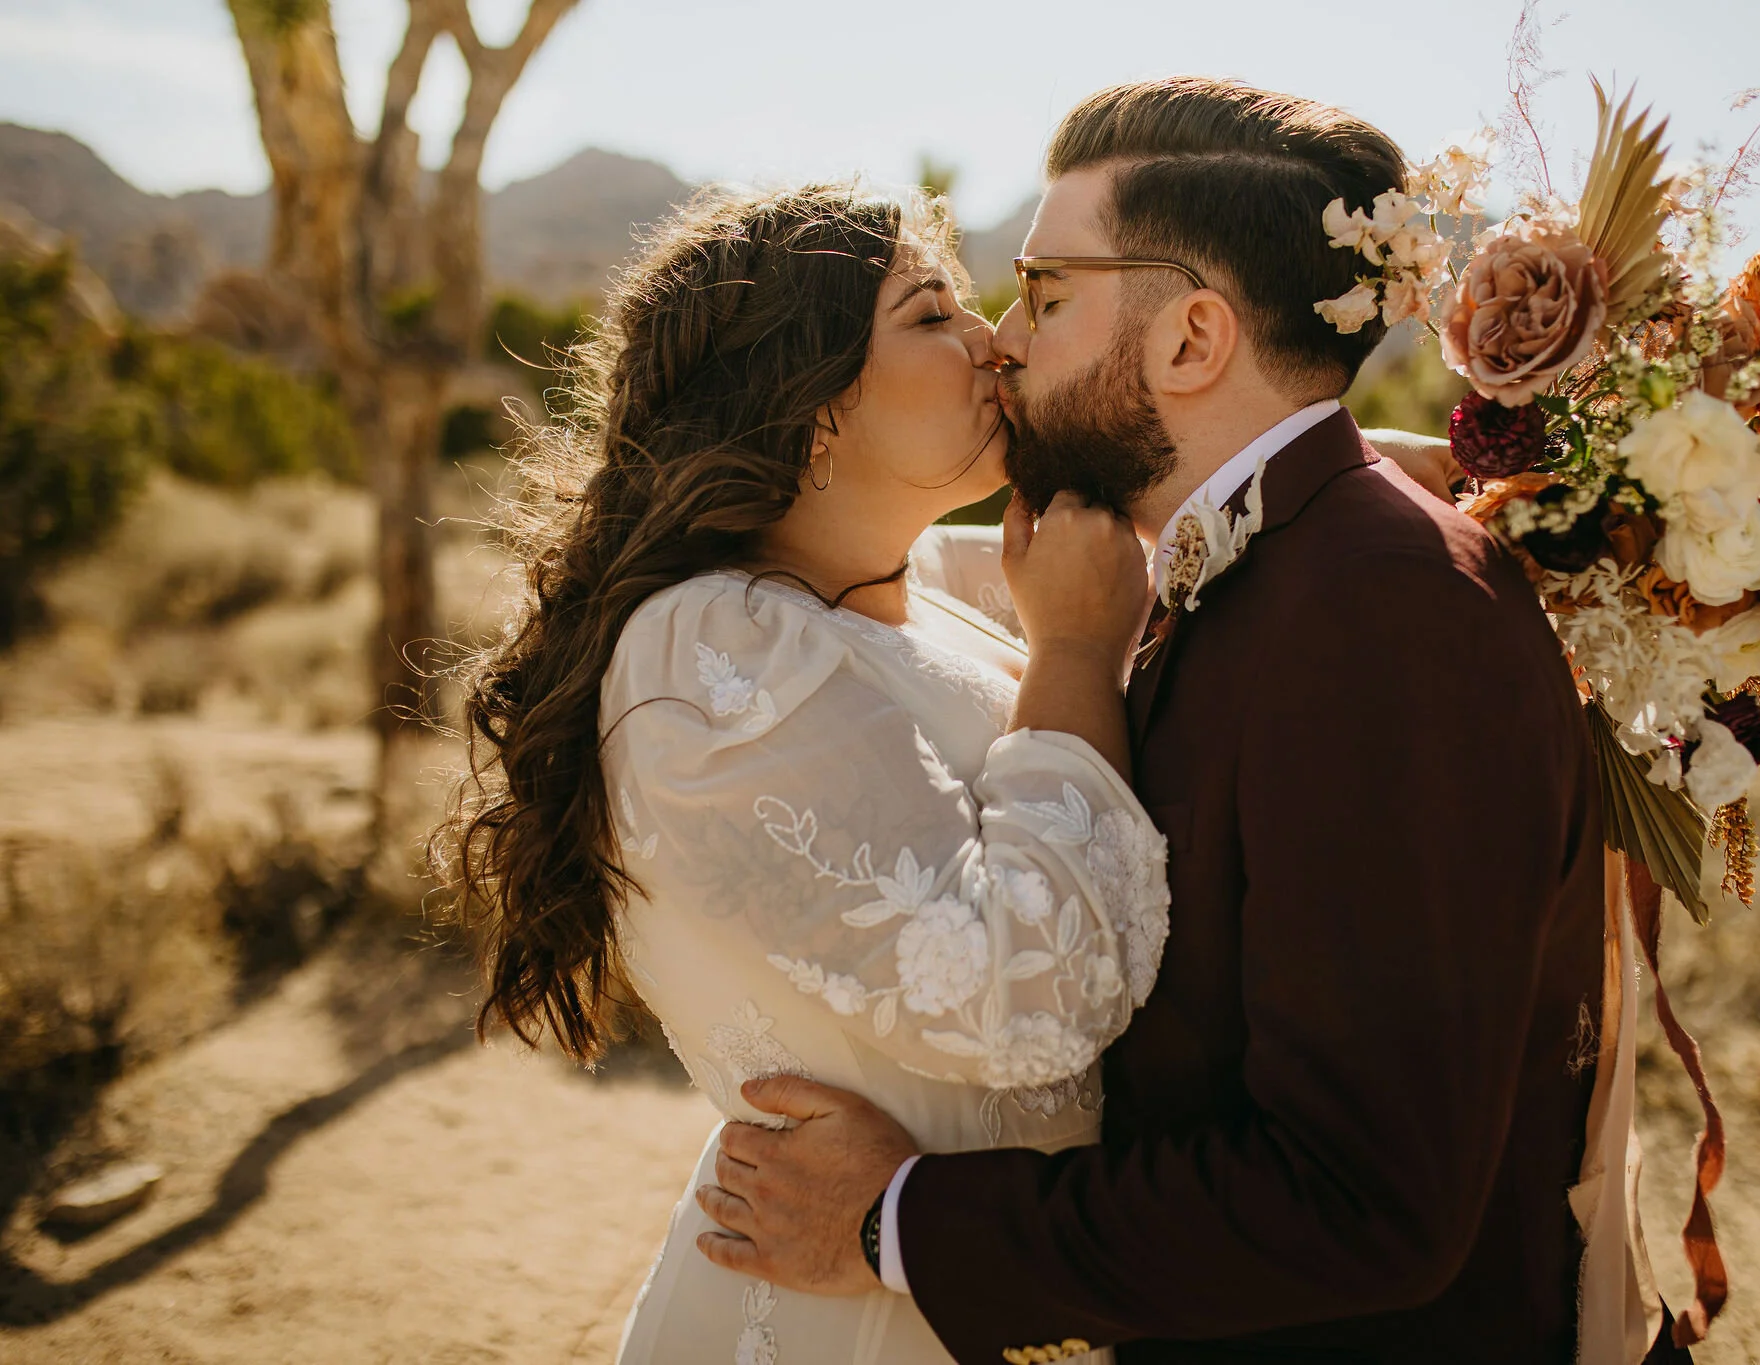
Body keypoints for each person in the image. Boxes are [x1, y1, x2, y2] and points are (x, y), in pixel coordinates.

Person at [694, 78, 1673, 1365]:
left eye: (1045, 294)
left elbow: (1359, 1202)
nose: (1004, 338)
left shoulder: (1382, 609)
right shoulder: (1254, 557)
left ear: (1191, 339)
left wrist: (896, 1221)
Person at [434, 177, 1476, 1362]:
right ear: (811, 401)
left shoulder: (914, 588)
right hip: (854, 1310)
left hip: (1000, 1296)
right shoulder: (711, 648)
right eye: (930, 316)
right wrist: (1076, 653)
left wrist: (1339, 471)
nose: (991, 344)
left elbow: (1152, 535)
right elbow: (1026, 998)